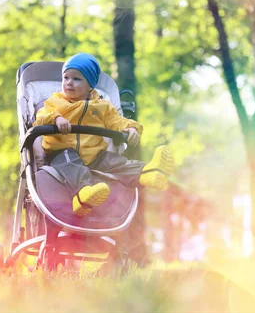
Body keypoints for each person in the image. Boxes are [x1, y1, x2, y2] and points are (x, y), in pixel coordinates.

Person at [33, 52, 172, 216]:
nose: (69, 83)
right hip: (62, 153)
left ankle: (146, 172)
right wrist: (56, 119)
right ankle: (83, 194)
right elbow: (41, 116)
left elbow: (116, 121)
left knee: (116, 161)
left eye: (77, 79)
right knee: (73, 166)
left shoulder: (102, 106)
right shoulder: (55, 102)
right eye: (66, 78)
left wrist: (131, 128)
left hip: (94, 155)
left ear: (90, 85)